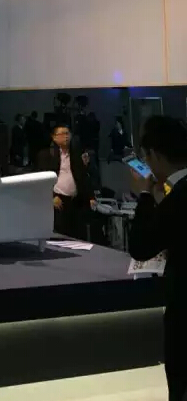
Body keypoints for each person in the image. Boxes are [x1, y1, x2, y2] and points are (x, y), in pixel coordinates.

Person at [128, 116, 187, 401]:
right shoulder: (176, 195)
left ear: (155, 155)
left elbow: (141, 246)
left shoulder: (180, 196)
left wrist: (143, 194)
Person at [37, 124, 93, 240]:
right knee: (60, 237)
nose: (66, 137)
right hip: (58, 200)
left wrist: (91, 197)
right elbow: (41, 180)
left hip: (75, 201)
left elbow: (83, 177)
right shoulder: (46, 155)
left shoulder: (76, 154)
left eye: (67, 133)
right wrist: (51, 196)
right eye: (62, 134)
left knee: (78, 236)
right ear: (54, 137)